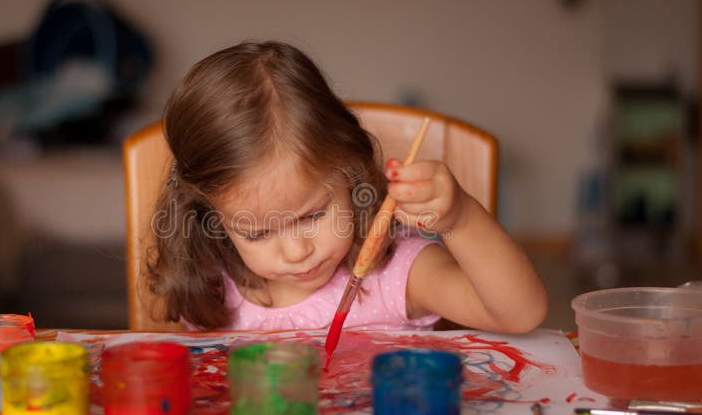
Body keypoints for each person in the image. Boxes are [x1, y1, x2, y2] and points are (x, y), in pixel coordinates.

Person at [147, 41, 548, 333]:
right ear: (209, 216)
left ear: (350, 174)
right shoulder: (212, 287)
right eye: (256, 232)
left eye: (313, 215)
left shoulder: (394, 274)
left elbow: (520, 315)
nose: (297, 251)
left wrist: (460, 217)